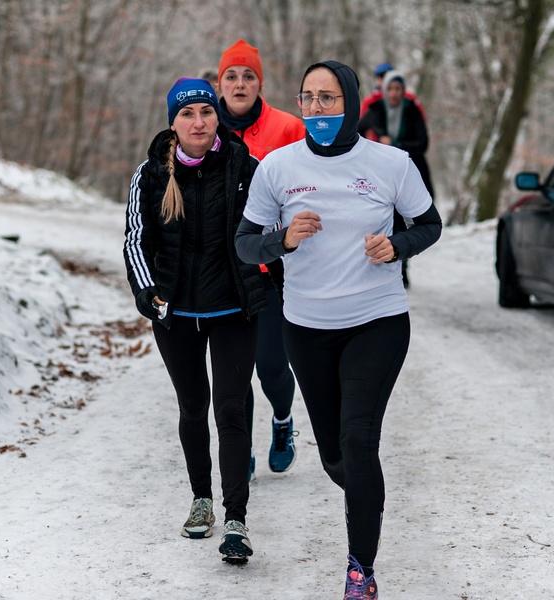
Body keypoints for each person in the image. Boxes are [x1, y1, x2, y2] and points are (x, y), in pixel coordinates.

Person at [235, 60, 442, 599]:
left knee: (358, 438)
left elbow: (429, 224)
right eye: (308, 98)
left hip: (377, 320)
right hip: (306, 328)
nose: (318, 109)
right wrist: (281, 240)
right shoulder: (277, 168)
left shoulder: (391, 163)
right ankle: (364, 492)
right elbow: (244, 243)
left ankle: (360, 571)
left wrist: (397, 245)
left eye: (329, 98)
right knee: (336, 459)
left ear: (351, 101)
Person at [123, 77, 264, 564]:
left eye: (206, 111)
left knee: (230, 409)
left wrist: (269, 281)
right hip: (176, 313)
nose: (199, 121)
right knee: (191, 408)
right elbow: (135, 241)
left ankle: (236, 519)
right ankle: (201, 499)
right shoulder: (149, 175)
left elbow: (269, 231)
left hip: (232, 310)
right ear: (173, 122)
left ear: (217, 115)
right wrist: (147, 292)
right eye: (188, 114)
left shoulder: (247, 168)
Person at [217, 38, 306, 480]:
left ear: (260, 83)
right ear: (220, 82)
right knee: (237, 371)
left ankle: (283, 421)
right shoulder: (204, 128)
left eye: (248, 75)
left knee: (272, 364)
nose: (239, 83)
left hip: (273, 269)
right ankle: (244, 448)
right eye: (231, 75)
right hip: (224, 271)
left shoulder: (288, 128)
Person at [359, 70, 435, 288]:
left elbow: (423, 143)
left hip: (410, 172)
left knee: (406, 220)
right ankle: (389, 264)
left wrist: (395, 145)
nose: (393, 93)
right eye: (390, 89)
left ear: (403, 91)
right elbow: (356, 133)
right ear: (384, 91)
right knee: (388, 219)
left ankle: (404, 267)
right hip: (380, 175)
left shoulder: (412, 112)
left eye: (398, 89)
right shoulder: (375, 110)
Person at [360, 62, 426, 123]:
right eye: (381, 76)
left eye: (388, 75)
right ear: (377, 79)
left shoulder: (409, 98)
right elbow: (362, 125)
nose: (385, 79)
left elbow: (421, 119)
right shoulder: (369, 102)